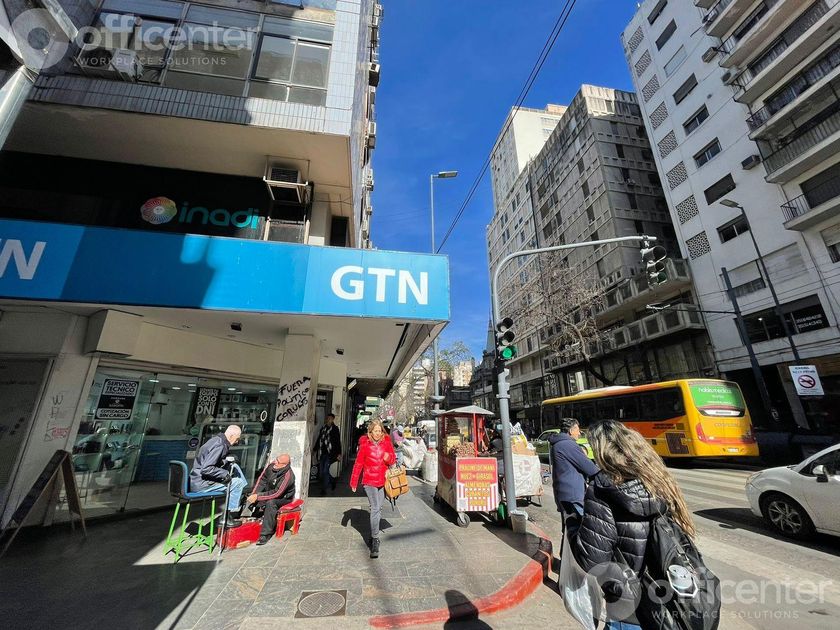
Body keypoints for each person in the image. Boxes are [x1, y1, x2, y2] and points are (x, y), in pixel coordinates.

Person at [571, 420, 696, 630]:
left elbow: (592, 561)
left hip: (627, 605)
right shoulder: (656, 478)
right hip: (668, 595)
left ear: (601, 450)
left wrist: (574, 528)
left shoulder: (602, 488)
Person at [350, 419, 395, 559]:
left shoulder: (387, 443)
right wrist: (354, 481)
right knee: (375, 508)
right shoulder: (365, 444)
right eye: (375, 431)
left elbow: (393, 460)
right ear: (370, 432)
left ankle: (372, 534)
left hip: (383, 480)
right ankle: (375, 540)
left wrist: (388, 457)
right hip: (369, 481)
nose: (377, 433)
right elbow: (358, 464)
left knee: (379, 508)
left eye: (379, 431)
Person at [189, 425, 247, 528]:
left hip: (197, 480)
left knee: (234, 467)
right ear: (231, 436)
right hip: (202, 484)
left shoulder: (216, 440)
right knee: (238, 483)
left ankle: (242, 495)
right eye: (237, 439)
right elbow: (207, 469)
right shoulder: (220, 445)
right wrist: (225, 474)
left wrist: (226, 459)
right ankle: (227, 517)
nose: (237, 442)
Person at [548, 418, 599, 528]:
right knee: (577, 528)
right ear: (571, 431)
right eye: (578, 429)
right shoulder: (568, 445)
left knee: (568, 528)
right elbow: (590, 469)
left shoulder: (557, 444)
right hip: (572, 496)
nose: (579, 433)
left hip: (564, 494)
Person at [246, 453, 296, 546]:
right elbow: (262, 480)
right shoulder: (271, 466)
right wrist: (254, 494)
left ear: (284, 465)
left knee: (271, 503)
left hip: (284, 498)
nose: (275, 462)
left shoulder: (288, 476)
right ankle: (253, 521)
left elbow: (277, 493)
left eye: (278, 461)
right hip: (271, 491)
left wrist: (258, 496)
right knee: (254, 497)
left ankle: (265, 534)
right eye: (276, 459)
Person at [314, 413, 341, 494]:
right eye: (327, 418)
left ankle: (324, 489)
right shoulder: (323, 428)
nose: (328, 420)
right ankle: (332, 481)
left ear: (333, 419)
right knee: (322, 471)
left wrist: (339, 453)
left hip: (330, 453)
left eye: (330, 418)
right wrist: (315, 449)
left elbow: (338, 442)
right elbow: (319, 438)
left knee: (325, 471)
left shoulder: (335, 429)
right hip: (322, 453)